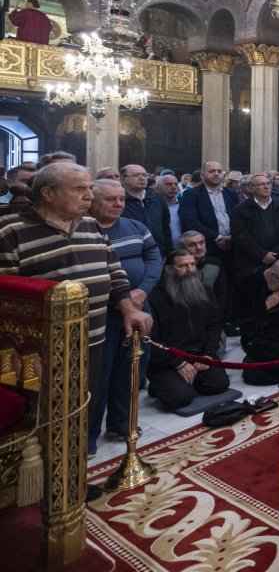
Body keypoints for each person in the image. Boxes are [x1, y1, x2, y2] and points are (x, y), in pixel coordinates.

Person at [0, 163, 152, 499]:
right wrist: (26, 351)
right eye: (79, 189)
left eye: (88, 188)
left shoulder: (89, 225)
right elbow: (6, 299)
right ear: (49, 193)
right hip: (40, 351)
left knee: (81, 410)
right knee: (46, 417)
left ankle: (70, 479)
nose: (89, 196)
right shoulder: (10, 231)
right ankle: (40, 488)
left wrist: (128, 307)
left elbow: (114, 271)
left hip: (93, 338)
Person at [88, 179, 163, 452]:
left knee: (132, 369)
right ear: (92, 200)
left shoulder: (136, 227)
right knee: (98, 374)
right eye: (110, 199)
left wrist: (142, 291)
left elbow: (154, 256)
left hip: (139, 308)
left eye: (121, 199)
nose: (118, 204)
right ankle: (88, 435)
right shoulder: (85, 231)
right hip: (102, 316)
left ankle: (121, 424)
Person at [146, 250, 229, 409]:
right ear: (169, 269)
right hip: (168, 360)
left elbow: (214, 324)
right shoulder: (155, 297)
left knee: (219, 385)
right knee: (180, 399)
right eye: (183, 266)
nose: (190, 270)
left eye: (192, 264)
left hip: (199, 355)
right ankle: (164, 384)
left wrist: (208, 355)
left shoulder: (205, 290)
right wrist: (178, 363)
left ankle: (181, 382)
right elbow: (151, 340)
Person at [237, 259, 279, 386]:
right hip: (258, 336)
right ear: (271, 273)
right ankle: (251, 361)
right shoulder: (247, 280)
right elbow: (239, 318)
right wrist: (265, 306)